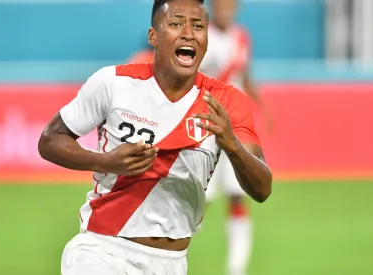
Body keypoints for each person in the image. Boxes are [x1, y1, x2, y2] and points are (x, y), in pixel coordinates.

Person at [38, 0, 272, 274]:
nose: (188, 33)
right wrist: (105, 162)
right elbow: (50, 140)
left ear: (206, 39)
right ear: (153, 36)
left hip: (172, 263)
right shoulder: (113, 83)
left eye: (198, 26)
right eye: (175, 24)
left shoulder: (227, 102)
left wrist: (232, 145)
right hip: (103, 251)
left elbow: (262, 189)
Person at [198, 0, 271, 274]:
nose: (225, 10)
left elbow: (244, 74)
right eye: (220, 6)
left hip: (236, 126)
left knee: (237, 195)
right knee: (197, 197)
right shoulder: (202, 35)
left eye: (229, 6)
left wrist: (263, 107)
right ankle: (168, 256)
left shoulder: (241, 36)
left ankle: (236, 268)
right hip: (205, 125)